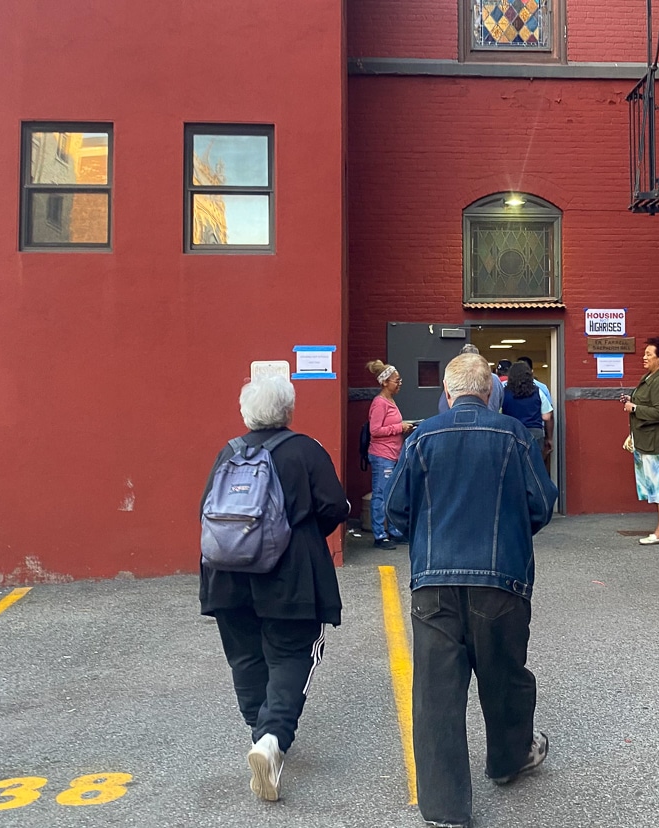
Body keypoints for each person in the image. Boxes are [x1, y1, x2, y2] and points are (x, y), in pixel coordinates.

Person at [385, 353, 557, 828]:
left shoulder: (422, 437)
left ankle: (444, 810)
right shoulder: (513, 435)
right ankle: (507, 760)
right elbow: (541, 504)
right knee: (505, 675)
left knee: (436, 693)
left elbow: (395, 514)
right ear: (489, 392)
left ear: (446, 390)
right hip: (502, 579)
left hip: (433, 583)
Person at [199, 375, 349, 801]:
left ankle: (258, 732)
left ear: (246, 413)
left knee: (245, 657)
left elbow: (206, 509)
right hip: (290, 576)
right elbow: (334, 506)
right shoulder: (305, 450)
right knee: (290, 655)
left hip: (226, 576)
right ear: (288, 411)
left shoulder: (228, 453)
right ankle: (271, 740)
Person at [621, 337, 659, 545]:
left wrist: (636, 408)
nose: (644, 357)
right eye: (645, 353)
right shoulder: (651, 378)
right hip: (650, 442)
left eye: (649, 354)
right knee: (653, 484)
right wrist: (632, 402)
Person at [366, 359, 414, 549]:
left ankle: (394, 531)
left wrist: (403, 429)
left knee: (392, 494)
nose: (399, 383)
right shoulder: (380, 403)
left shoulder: (390, 401)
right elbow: (375, 430)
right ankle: (379, 535)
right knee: (380, 495)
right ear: (385, 382)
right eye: (396, 380)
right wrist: (398, 427)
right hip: (382, 455)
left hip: (393, 454)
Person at [502, 361, 551, 458]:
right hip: (534, 434)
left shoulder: (504, 393)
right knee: (534, 465)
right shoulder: (538, 391)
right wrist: (549, 438)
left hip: (512, 432)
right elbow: (547, 416)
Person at [438, 343, 503, 413]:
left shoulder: (454, 378)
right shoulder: (494, 379)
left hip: (458, 420)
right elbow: (501, 401)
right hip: (492, 420)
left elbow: (443, 406)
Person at [516, 356, 554, 472]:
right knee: (536, 468)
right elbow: (547, 416)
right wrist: (549, 438)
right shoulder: (540, 389)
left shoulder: (506, 389)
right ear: (531, 371)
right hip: (535, 432)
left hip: (514, 431)